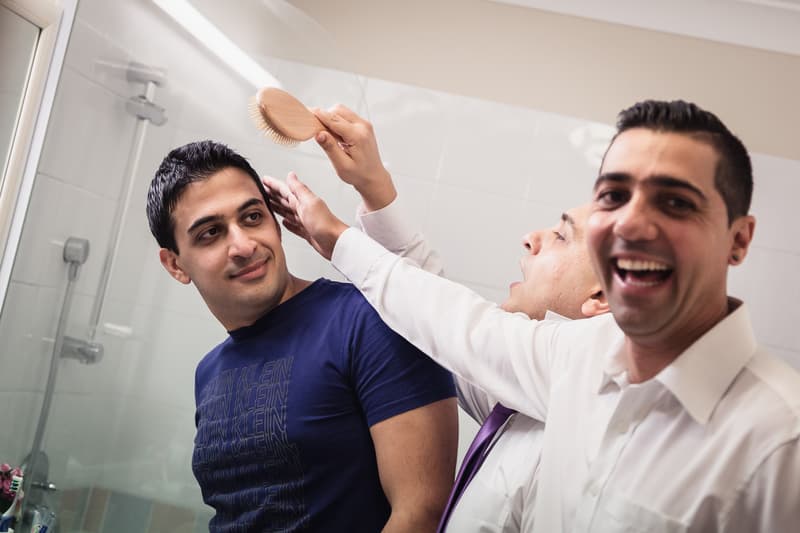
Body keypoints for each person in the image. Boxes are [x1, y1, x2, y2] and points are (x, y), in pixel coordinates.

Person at [266, 100, 800, 532]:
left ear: (739, 239)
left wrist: (338, 237)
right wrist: (368, 195)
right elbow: (450, 323)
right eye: (614, 196)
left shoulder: (781, 442)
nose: (631, 224)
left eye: (676, 204)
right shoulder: (575, 361)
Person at [264, 105, 610, 532]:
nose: (531, 237)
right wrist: (374, 188)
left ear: (600, 298)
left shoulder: (588, 387)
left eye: (560, 236)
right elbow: (441, 325)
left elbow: (461, 325)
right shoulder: (532, 398)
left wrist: (339, 240)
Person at [145, 140, 458, 532]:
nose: (243, 245)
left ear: (276, 222)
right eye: (211, 233)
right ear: (175, 264)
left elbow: (423, 511)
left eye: (253, 217)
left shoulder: (369, 321)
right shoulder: (208, 372)